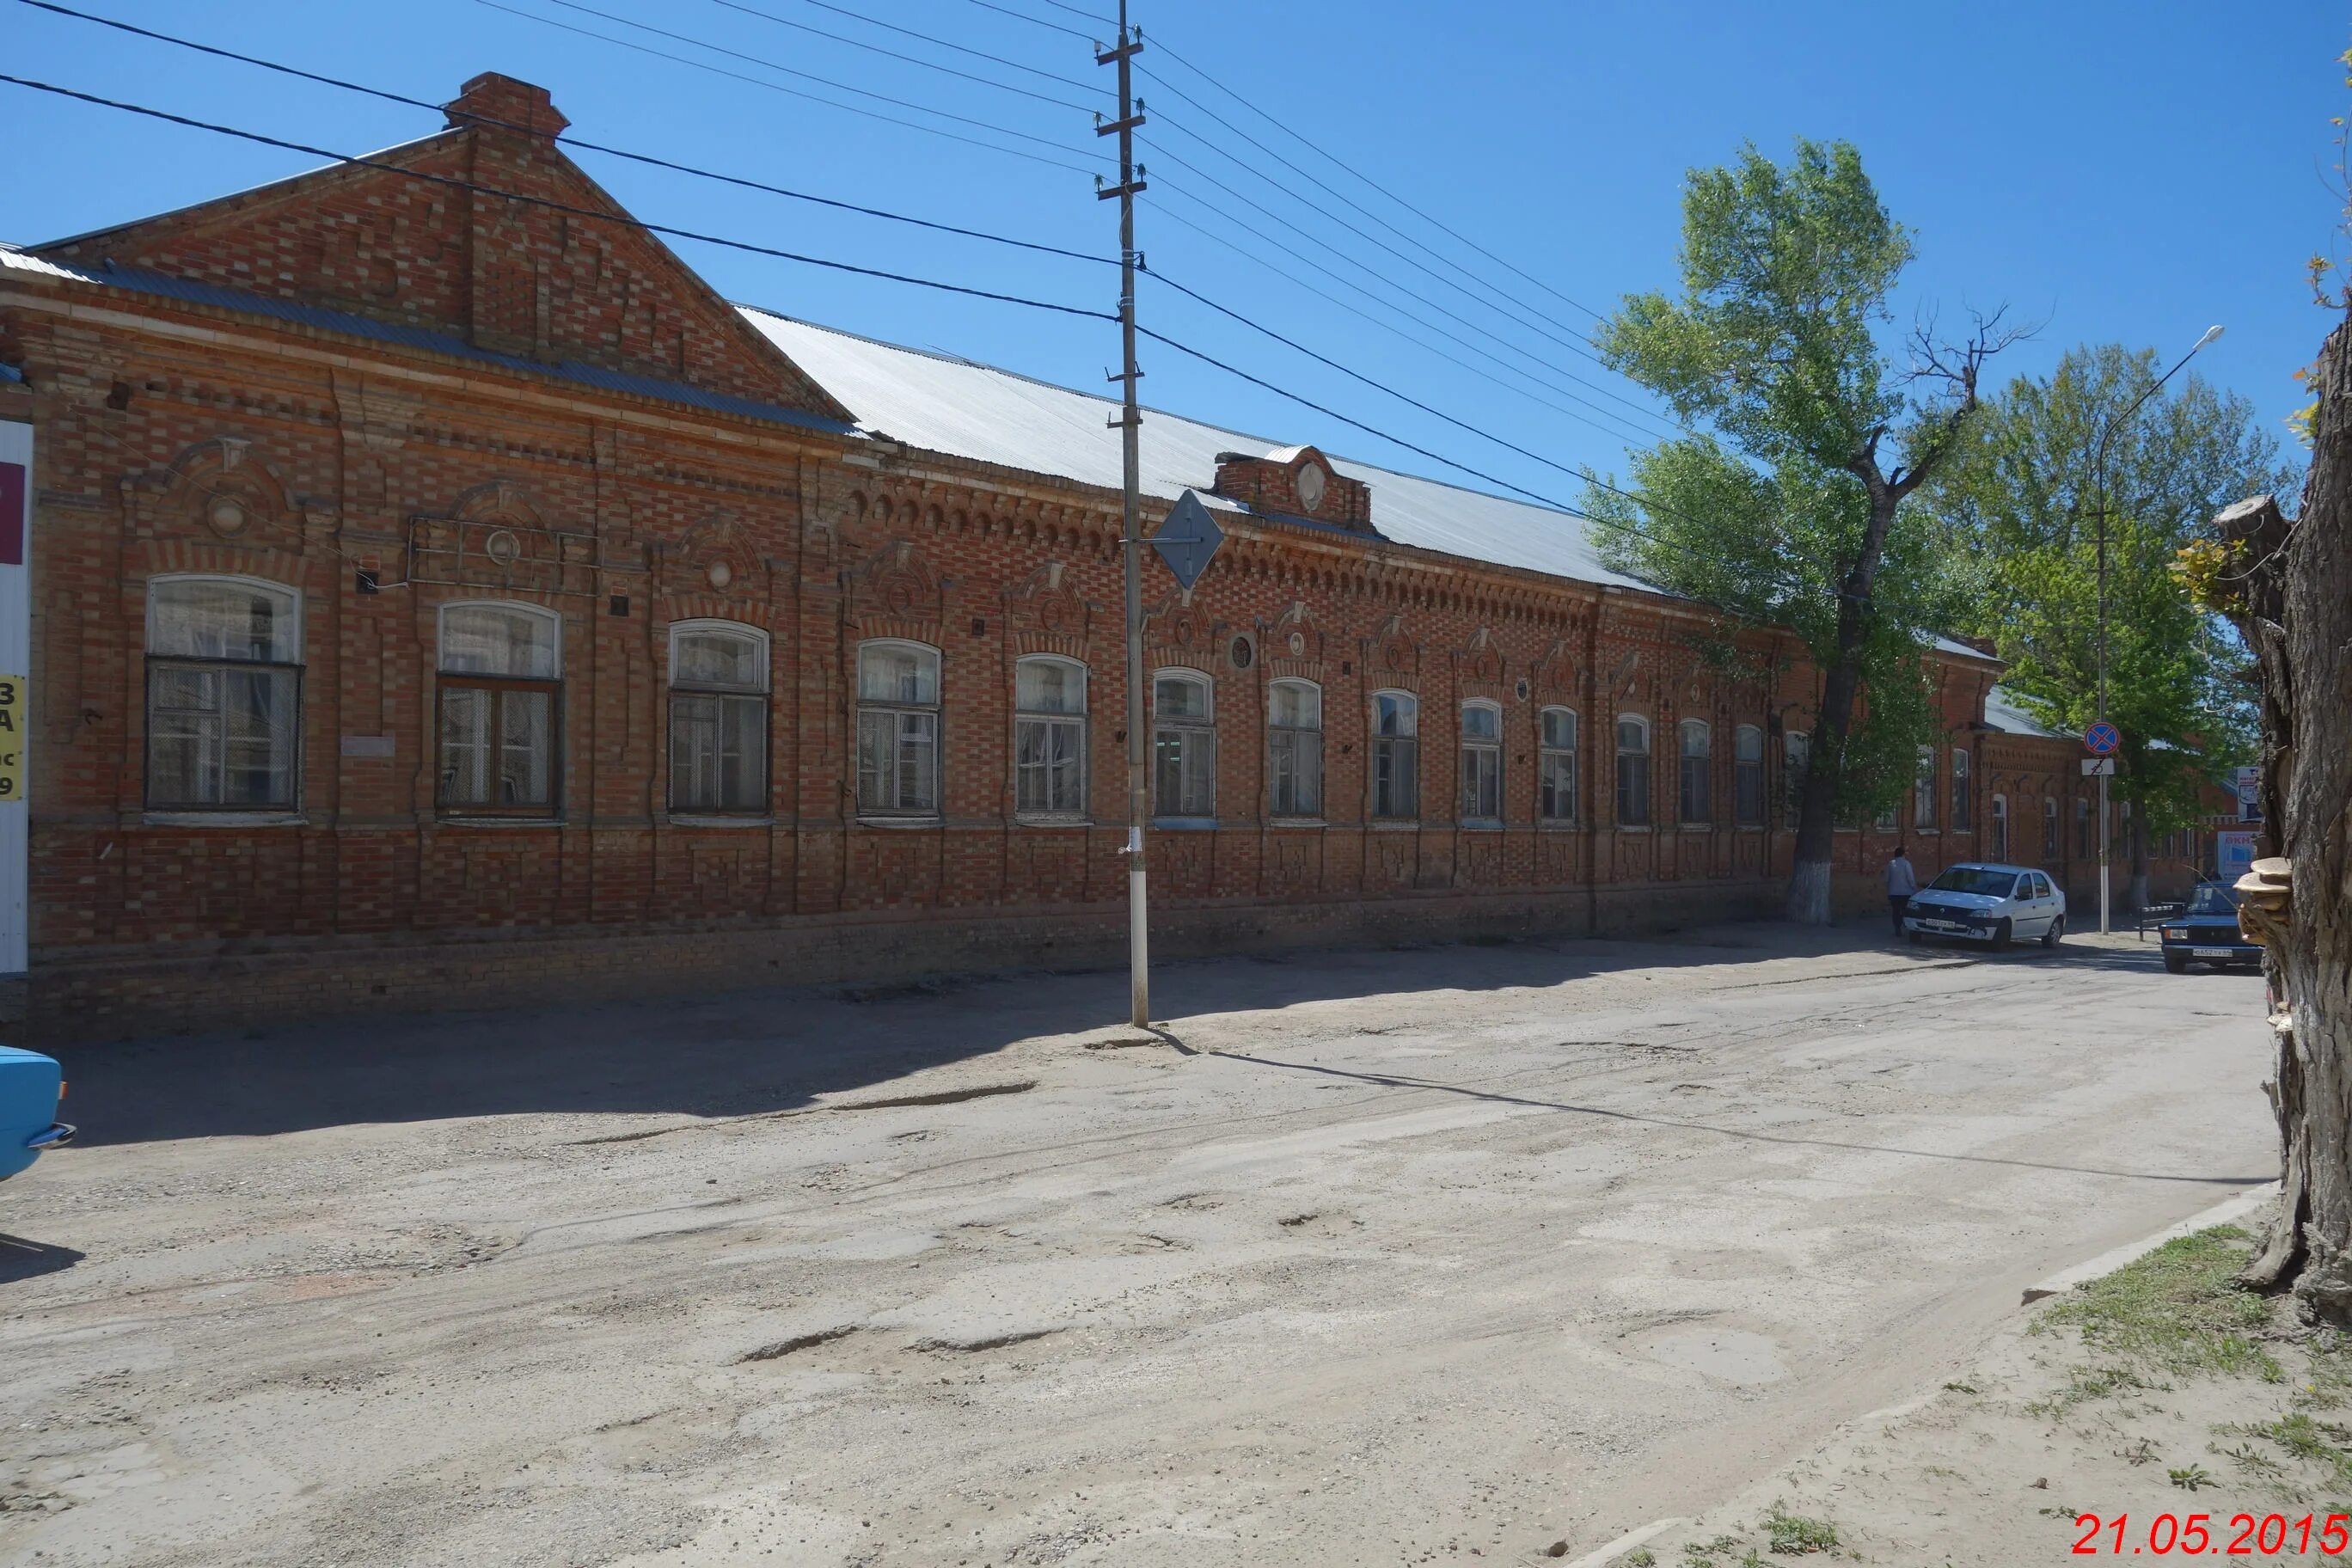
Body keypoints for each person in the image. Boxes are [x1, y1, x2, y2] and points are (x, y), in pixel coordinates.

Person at [1885, 844, 1918, 937]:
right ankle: (1906, 926)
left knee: (1895, 911)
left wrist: (1888, 890)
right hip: (1906, 893)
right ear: (1903, 854)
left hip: (1893, 893)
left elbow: (1886, 879)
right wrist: (1914, 888)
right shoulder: (1906, 864)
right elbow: (1910, 878)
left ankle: (1897, 927)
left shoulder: (1890, 864)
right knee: (1905, 911)